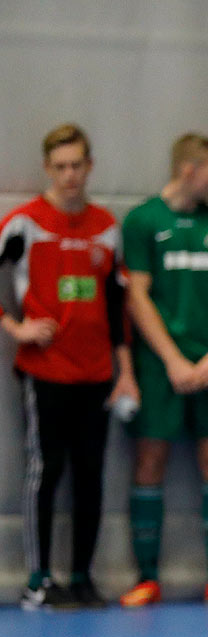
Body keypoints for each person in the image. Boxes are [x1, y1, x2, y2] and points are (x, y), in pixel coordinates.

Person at [1, 123, 136, 609]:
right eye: (60, 167)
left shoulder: (105, 227)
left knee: (90, 473)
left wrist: (126, 371)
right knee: (45, 468)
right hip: (45, 371)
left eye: (77, 165)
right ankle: (38, 579)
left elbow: (118, 304)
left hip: (97, 372)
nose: (69, 174)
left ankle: (81, 575)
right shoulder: (24, 224)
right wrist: (16, 328)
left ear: (90, 166)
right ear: (48, 169)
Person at [118, 133, 208, 608]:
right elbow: (137, 296)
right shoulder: (143, 221)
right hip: (159, 367)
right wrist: (172, 359)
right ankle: (147, 577)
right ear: (190, 169)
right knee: (149, 461)